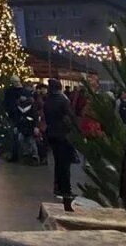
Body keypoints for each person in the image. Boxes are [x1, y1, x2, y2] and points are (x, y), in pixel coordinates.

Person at [43, 78, 76, 211]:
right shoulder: (63, 100)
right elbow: (71, 116)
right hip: (63, 134)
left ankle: (57, 187)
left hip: (51, 134)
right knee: (65, 163)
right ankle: (66, 190)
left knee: (57, 161)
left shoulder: (48, 101)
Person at [2, 75, 25, 161]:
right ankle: (17, 154)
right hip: (17, 116)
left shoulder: (10, 92)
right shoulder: (20, 91)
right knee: (15, 136)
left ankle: (16, 155)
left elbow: (6, 104)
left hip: (17, 116)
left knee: (16, 136)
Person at [34, 83, 49, 165]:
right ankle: (42, 157)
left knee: (44, 140)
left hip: (45, 121)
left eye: (43, 89)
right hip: (40, 121)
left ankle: (44, 157)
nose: (42, 90)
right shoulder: (37, 97)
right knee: (39, 140)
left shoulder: (47, 98)